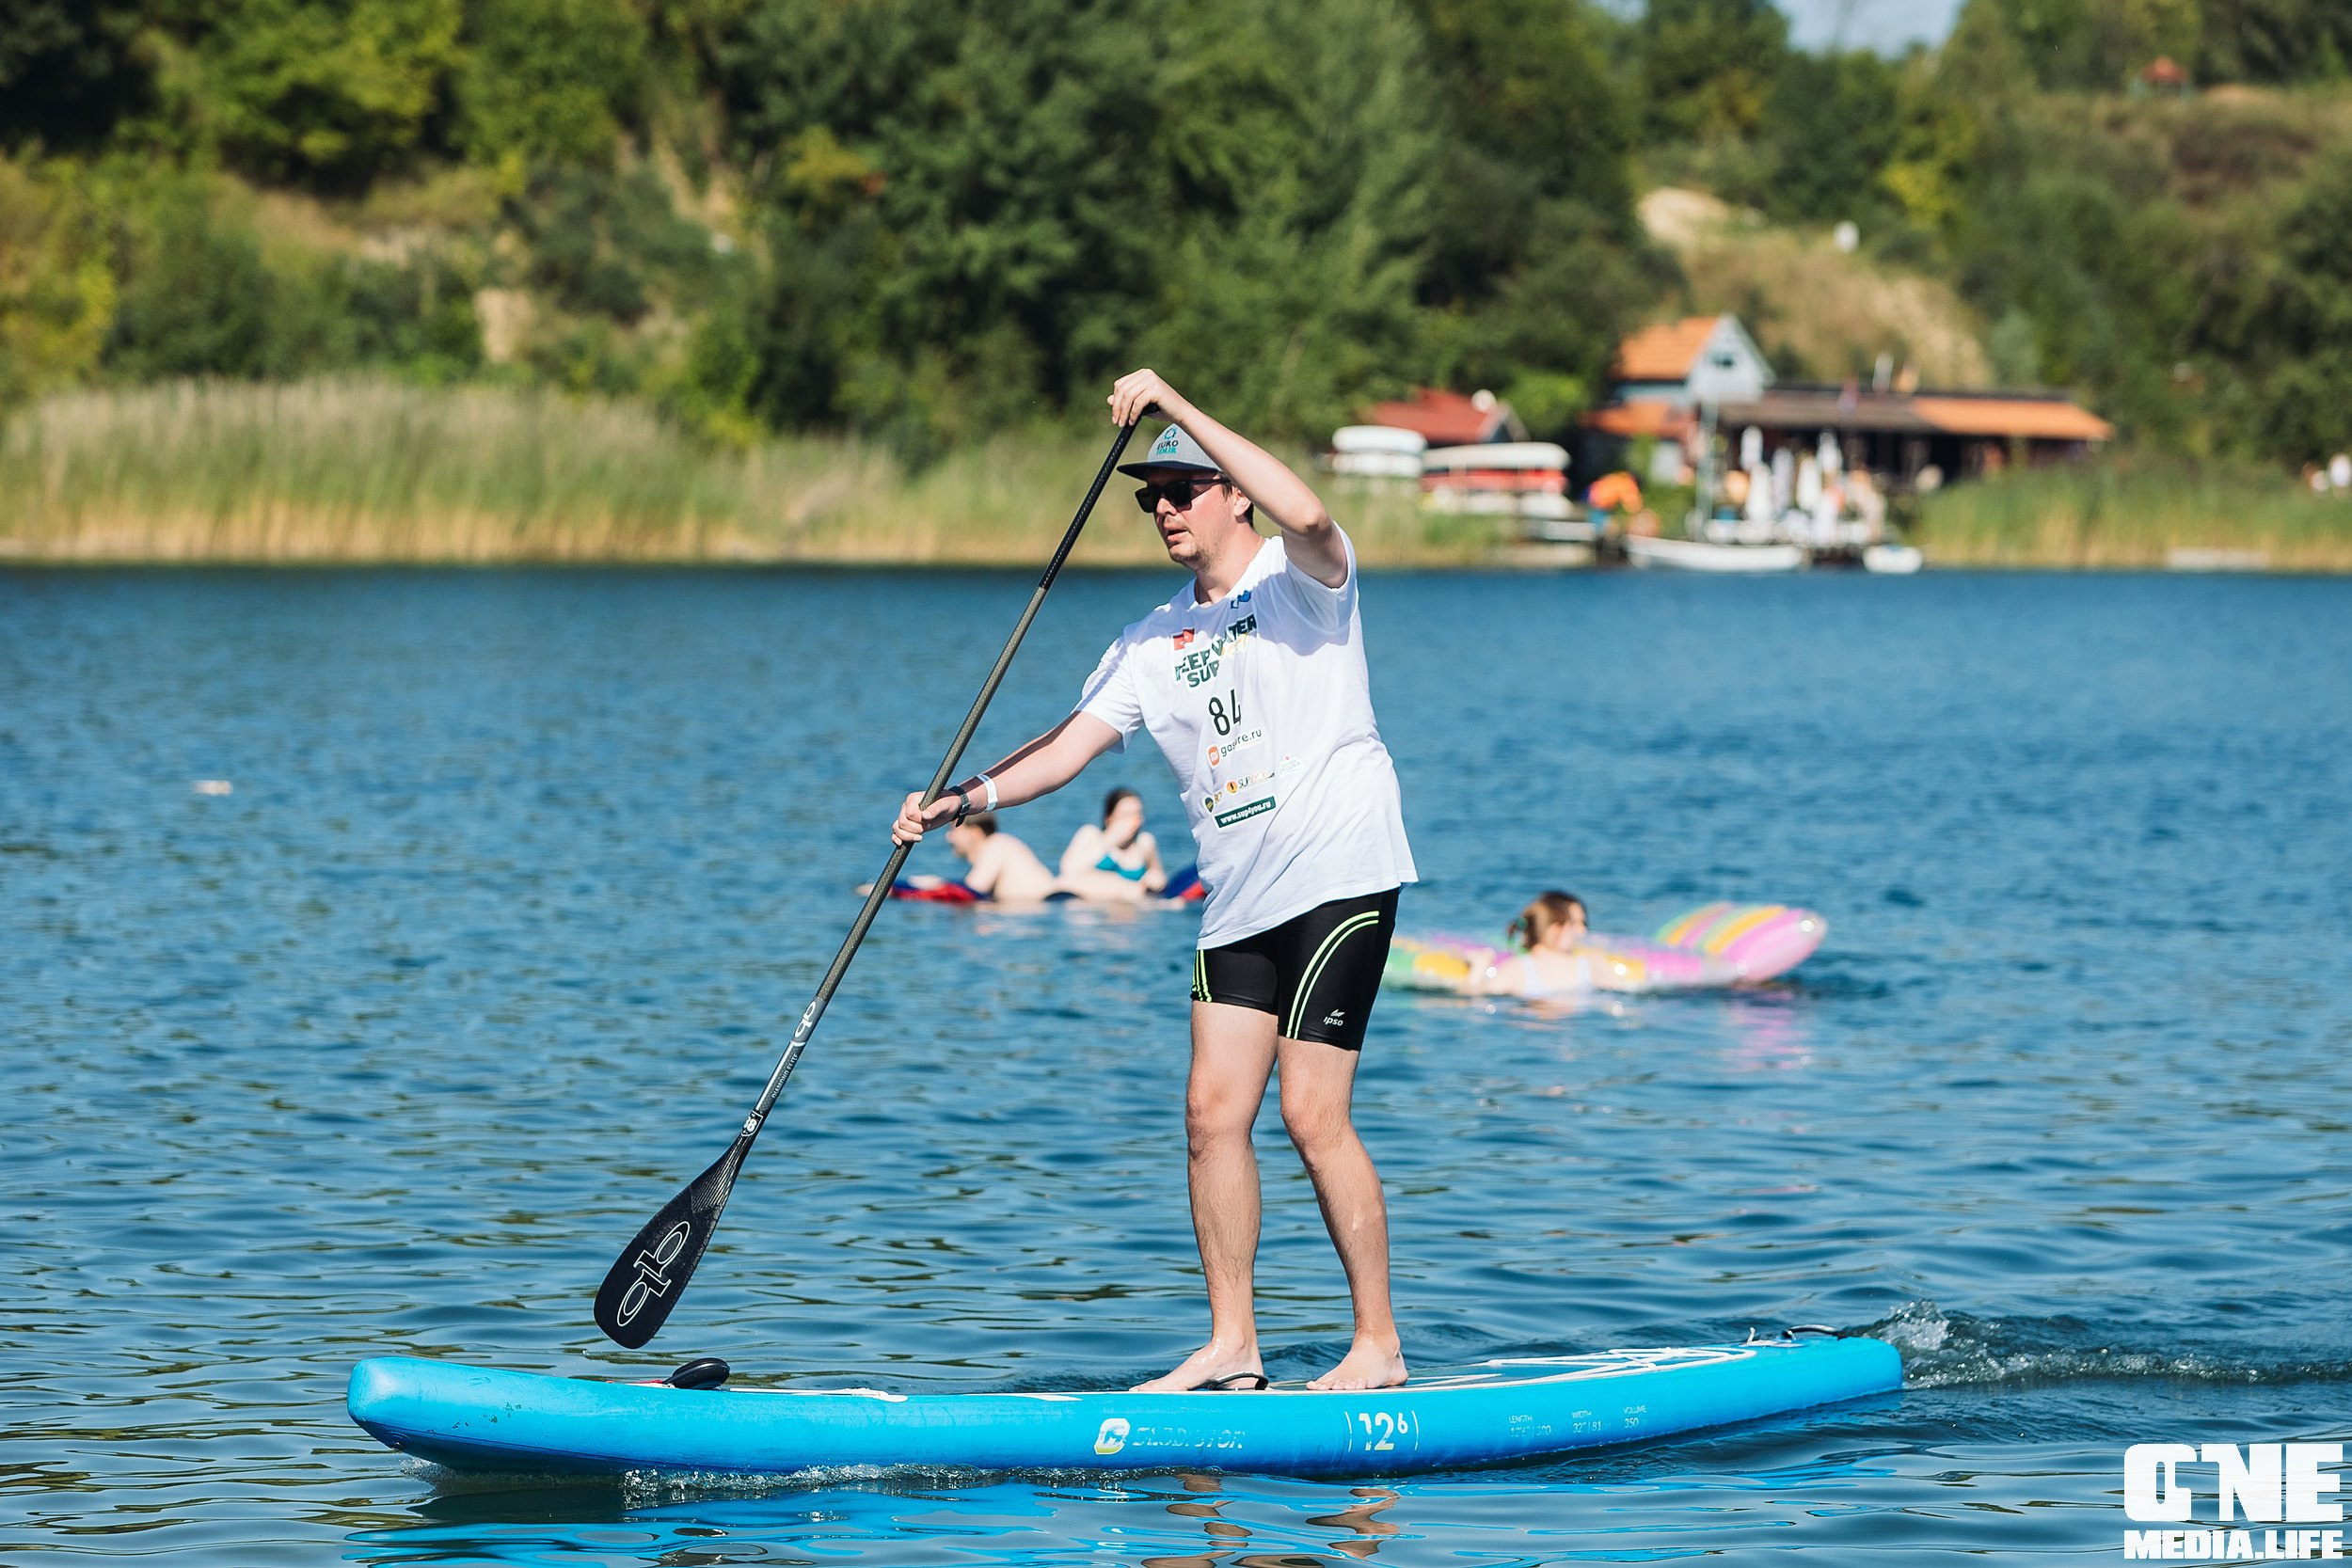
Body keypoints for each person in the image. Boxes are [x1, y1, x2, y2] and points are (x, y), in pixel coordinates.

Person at [892, 369, 1418, 1392]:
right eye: (1150, 496)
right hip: (1237, 900)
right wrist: (962, 797)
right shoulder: (1149, 639)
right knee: (1210, 1116)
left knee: (1312, 1114)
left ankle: (1377, 1346)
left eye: (1182, 488)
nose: (1164, 507)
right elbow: (1067, 748)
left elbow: (1309, 506)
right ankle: (1233, 1345)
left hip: (1339, 871)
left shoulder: (1304, 580)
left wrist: (1176, 404)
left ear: (1234, 495)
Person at [893, 813, 1064, 904]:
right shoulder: (998, 847)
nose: (949, 838)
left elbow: (968, 893)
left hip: (1055, 903)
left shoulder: (996, 845)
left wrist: (898, 891)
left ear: (975, 832)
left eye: (954, 830)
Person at [1058, 786, 1168, 902]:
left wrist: (1156, 880)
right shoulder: (1091, 835)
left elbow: (1159, 876)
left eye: (1137, 814)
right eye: (1126, 815)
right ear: (1109, 819)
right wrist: (1109, 841)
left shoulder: (1144, 843)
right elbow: (1067, 872)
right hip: (1092, 906)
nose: (1133, 822)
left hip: (1133, 909)